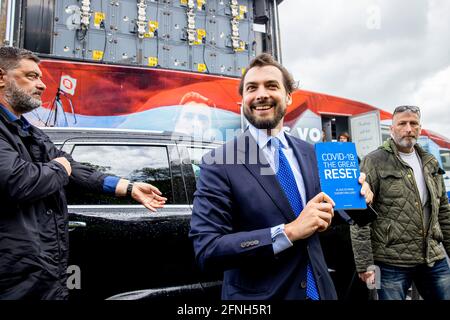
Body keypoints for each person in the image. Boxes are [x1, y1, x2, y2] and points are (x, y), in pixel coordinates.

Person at [189, 53, 373, 300]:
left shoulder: (310, 153)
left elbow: (336, 211)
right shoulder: (219, 163)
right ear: (243, 99)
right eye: (251, 88)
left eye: (271, 85)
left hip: (320, 292)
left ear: (288, 96)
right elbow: (208, 250)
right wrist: (288, 232)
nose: (261, 94)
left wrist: (360, 196)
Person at [0, 46, 167, 299]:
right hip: (11, 277)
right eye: (31, 76)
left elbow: (73, 168)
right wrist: (58, 168)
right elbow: (17, 180)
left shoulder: (30, 132)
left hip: (40, 273)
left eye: (41, 77)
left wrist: (128, 187)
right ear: (2, 77)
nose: (43, 85)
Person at [350, 105, 450, 300]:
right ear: (392, 129)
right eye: (402, 123)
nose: (408, 128)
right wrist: (364, 263)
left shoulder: (430, 162)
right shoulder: (374, 161)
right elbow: (359, 215)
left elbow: (444, 212)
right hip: (391, 262)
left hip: (433, 257)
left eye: (413, 123)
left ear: (420, 128)